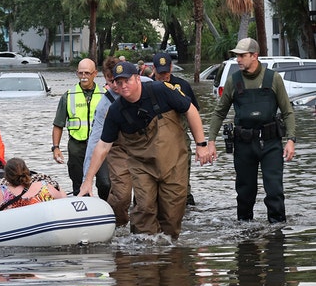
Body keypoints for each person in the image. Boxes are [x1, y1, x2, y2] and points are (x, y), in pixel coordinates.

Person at [79, 61, 212, 239]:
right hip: (142, 165)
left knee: (172, 215)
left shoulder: (161, 90)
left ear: (138, 79)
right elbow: (102, 145)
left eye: (127, 81)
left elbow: (191, 110)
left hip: (173, 161)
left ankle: (169, 256)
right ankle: (143, 257)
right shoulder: (114, 111)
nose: (123, 86)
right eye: (119, 82)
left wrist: (201, 144)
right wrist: (87, 180)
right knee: (144, 209)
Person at [207, 37, 296, 223]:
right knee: (245, 193)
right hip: (244, 145)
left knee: (274, 192)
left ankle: (278, 233)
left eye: (242, 55)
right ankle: (245, 236)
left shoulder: (274, 79)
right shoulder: (233, 81)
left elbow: (288, 112)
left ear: (254, 56)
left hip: (271, 144)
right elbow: (218, 113)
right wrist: (211, 141)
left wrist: (290, 140)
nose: (238, 59)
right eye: (236, 55)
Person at [83, 57, 133, 226]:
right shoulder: (104, 105)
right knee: (119, 194)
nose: (116, 86)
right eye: (111, 81)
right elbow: (94, 142)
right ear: (104, 78)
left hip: (144, 146)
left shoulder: (145, 87)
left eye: (119, 81)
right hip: (118, 149)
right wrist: (86, 179)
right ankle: (115, 225)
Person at [52, 58, 109, 197]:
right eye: (81, 73)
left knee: (105, 183)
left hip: (99, 146)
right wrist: (56, 147)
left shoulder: (105, 95)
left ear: (95, 73)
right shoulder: (68, 96)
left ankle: (105, 206)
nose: (83, 77)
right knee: (79, 185)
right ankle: (84, 211)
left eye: (87, 73)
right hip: (77, 146)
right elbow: (58, 124)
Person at [151, 52, 200, 206]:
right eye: (160, 73)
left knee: (182, 183)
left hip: (180, 140)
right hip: (154, 141)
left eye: (167, 72)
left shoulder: (182, 86)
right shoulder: (145, 86)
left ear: (171, 68)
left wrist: (201, 144)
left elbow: (195, 114)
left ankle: (186, 208)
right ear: (153, 69)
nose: (164, 76)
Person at [0, 157, 65, 216]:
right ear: (27, 171)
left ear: (6, 176)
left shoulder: (1, 192)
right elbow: (63, 200)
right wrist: (58, 187)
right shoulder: (44, 186)